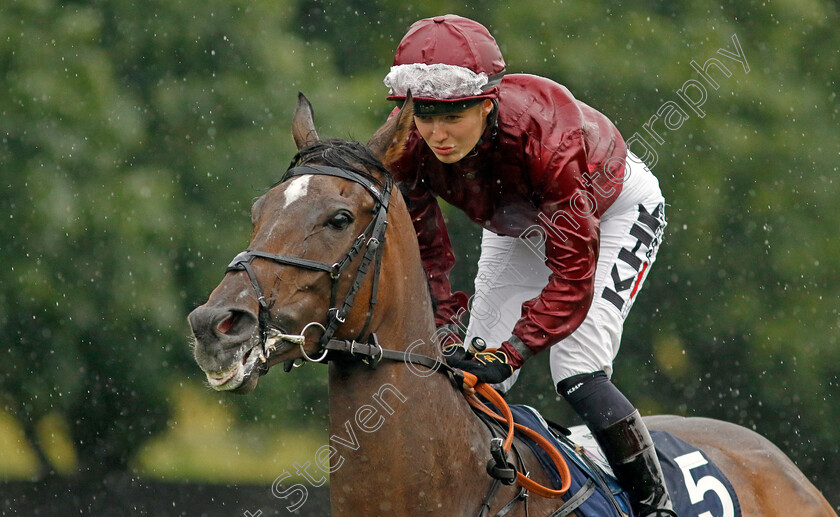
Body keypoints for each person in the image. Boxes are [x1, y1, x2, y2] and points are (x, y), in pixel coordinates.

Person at [383, 14, 675, 517]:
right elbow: (428, 254)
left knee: (576, 368)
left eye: (452, 116)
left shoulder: (549, 139)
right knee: (468, 371)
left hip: (610, 210)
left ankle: (656, 507)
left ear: (488, 102)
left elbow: (572, 274)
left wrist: (515, 351)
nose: (437, 134)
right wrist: (448, 330)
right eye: (424, 115)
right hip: (517, 225)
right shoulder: (405, 147)